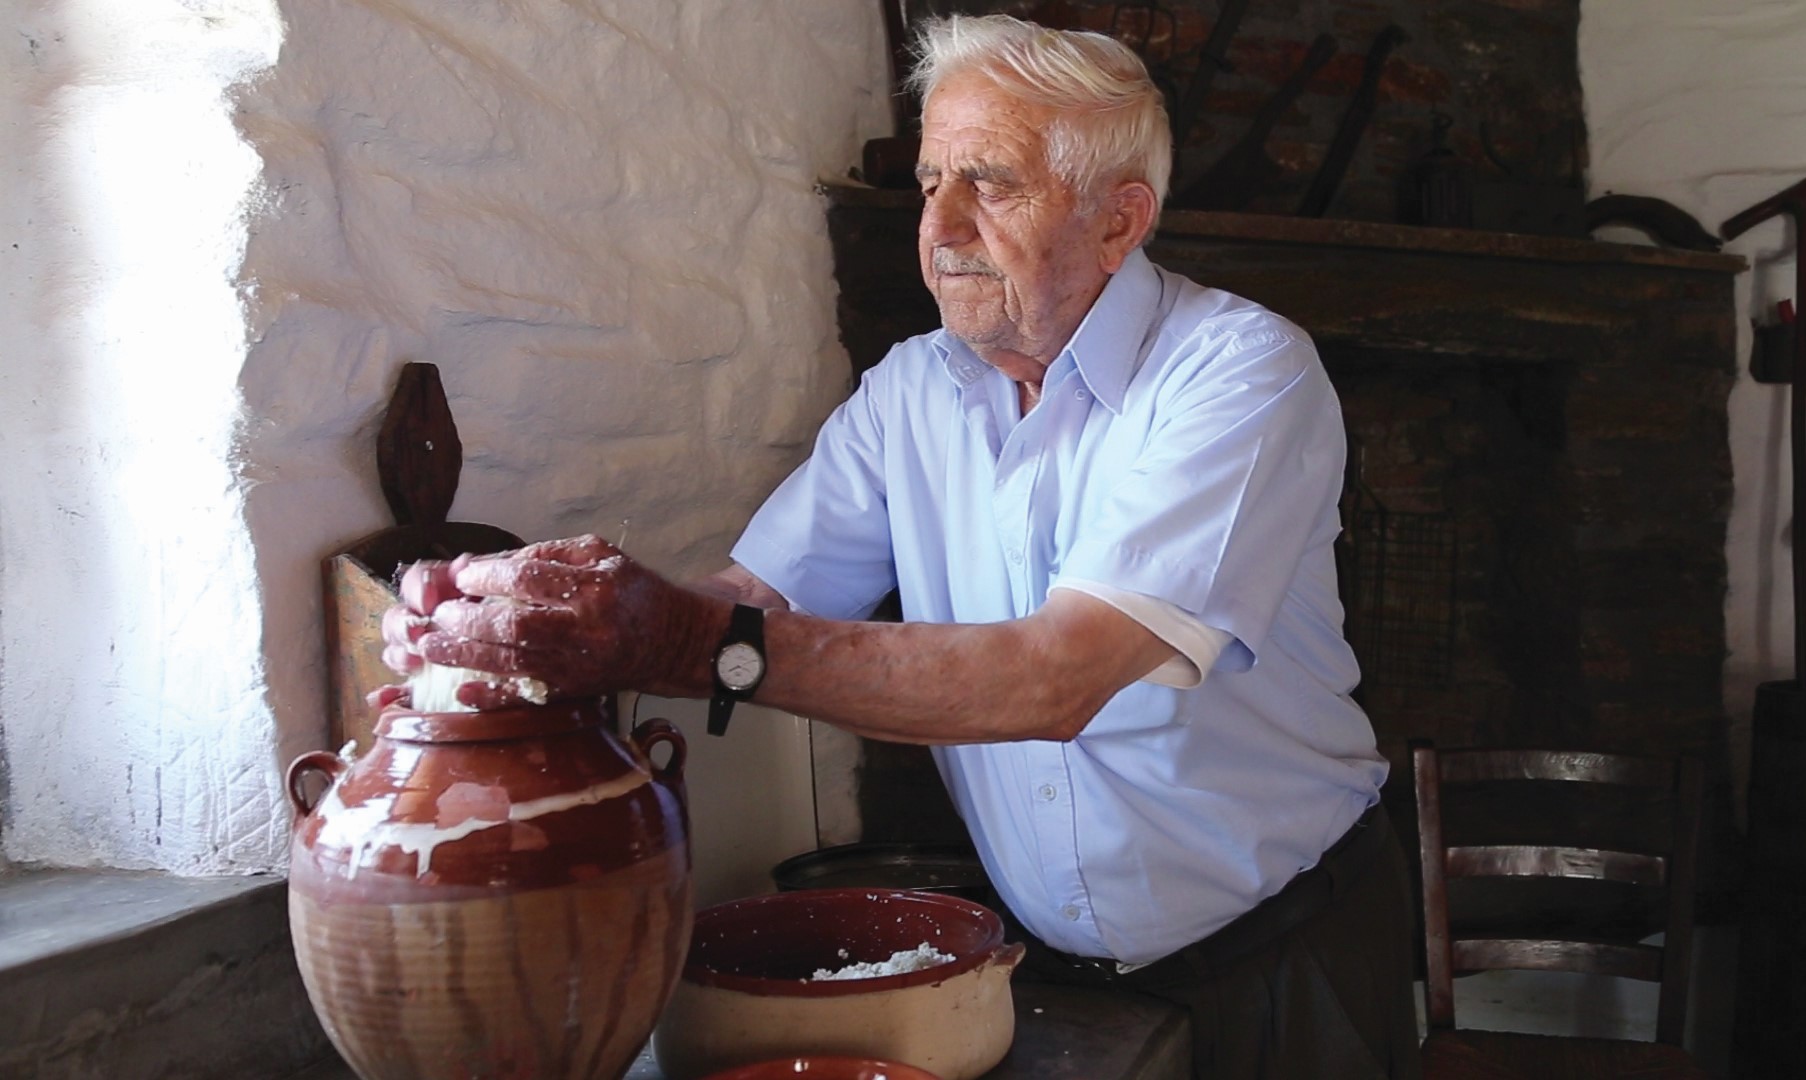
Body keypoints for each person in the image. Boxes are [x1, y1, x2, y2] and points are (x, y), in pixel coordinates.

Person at [380, 14, 1419, 1078]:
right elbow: (753, 598)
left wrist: (679, 642)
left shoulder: (1238, 372)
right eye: (930, 183)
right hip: (1056, 968)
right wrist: (542, 641)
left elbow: (1057, 678)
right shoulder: (912, 392)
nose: (941, 225)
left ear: (1119, 222)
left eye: (991, 182)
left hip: (1290, 952)